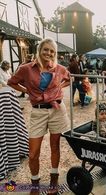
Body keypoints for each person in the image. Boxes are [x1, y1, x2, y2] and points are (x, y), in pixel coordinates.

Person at [7, 37, 70, 195]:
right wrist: (27, 90)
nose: (49, 53)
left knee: (55, 146)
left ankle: (53, 180)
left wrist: (58, 88)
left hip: (57, 110)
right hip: (38, 112)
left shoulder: (59, 68)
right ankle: (35, 183)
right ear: (40, 50)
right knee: (33, 153)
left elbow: (69, 79)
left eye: (52, 51)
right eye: (46, 49)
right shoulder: (26, 68)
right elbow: (11, 82)